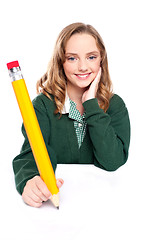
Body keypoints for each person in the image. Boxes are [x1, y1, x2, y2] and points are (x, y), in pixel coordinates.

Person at [13, 22, 130, 208]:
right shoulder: (43, 105)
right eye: (72, 58)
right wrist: (29, 180)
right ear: (61, 61)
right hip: (58, 206)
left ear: (101, 60)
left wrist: (91, 104)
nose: (83, 67)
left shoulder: (114, 105)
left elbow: (112, 161)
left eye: (91, 57)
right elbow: (30, 154)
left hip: (101, 203)